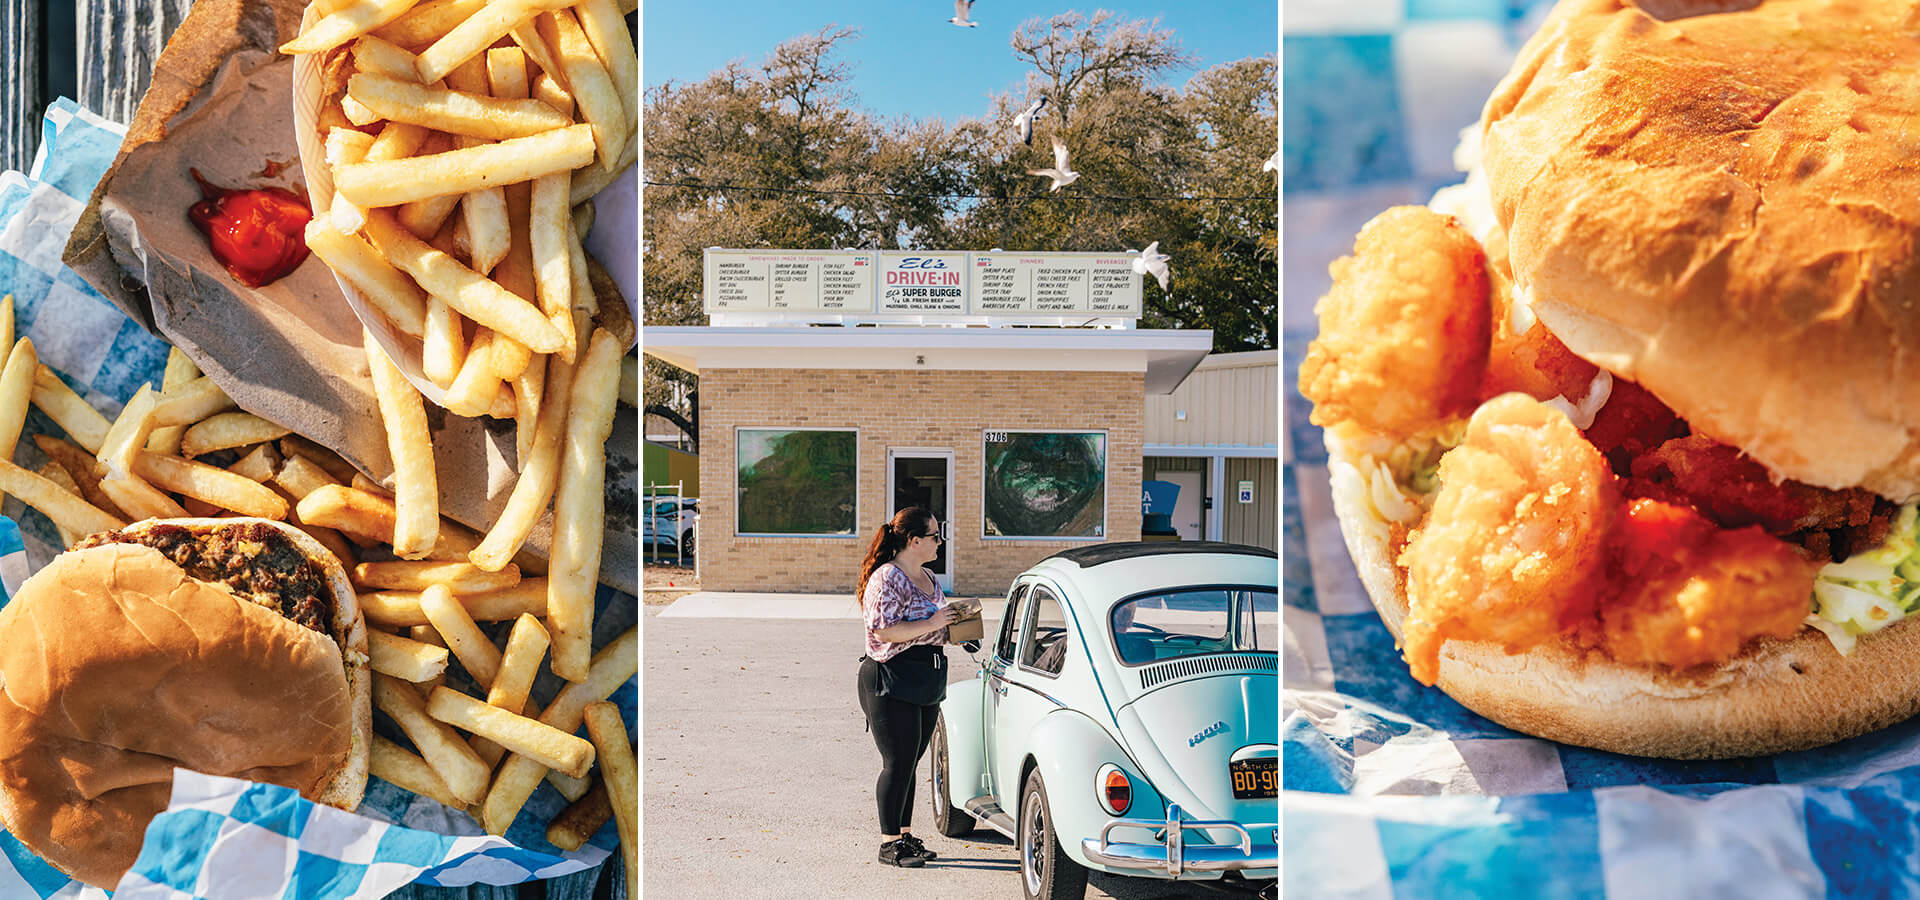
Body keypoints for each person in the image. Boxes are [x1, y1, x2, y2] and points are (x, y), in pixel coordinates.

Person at [855, 506, 958, 868]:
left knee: (912, 762)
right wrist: (933, 622)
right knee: (897, 763)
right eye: (934, 536)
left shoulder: (928, 576)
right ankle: (888, 844)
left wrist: (956, 629)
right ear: (914, 541)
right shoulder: (887, 578)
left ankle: (904, 835)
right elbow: (883, 630)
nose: (939, 541)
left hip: (925, 678)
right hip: (889, 677)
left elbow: (933, 627)